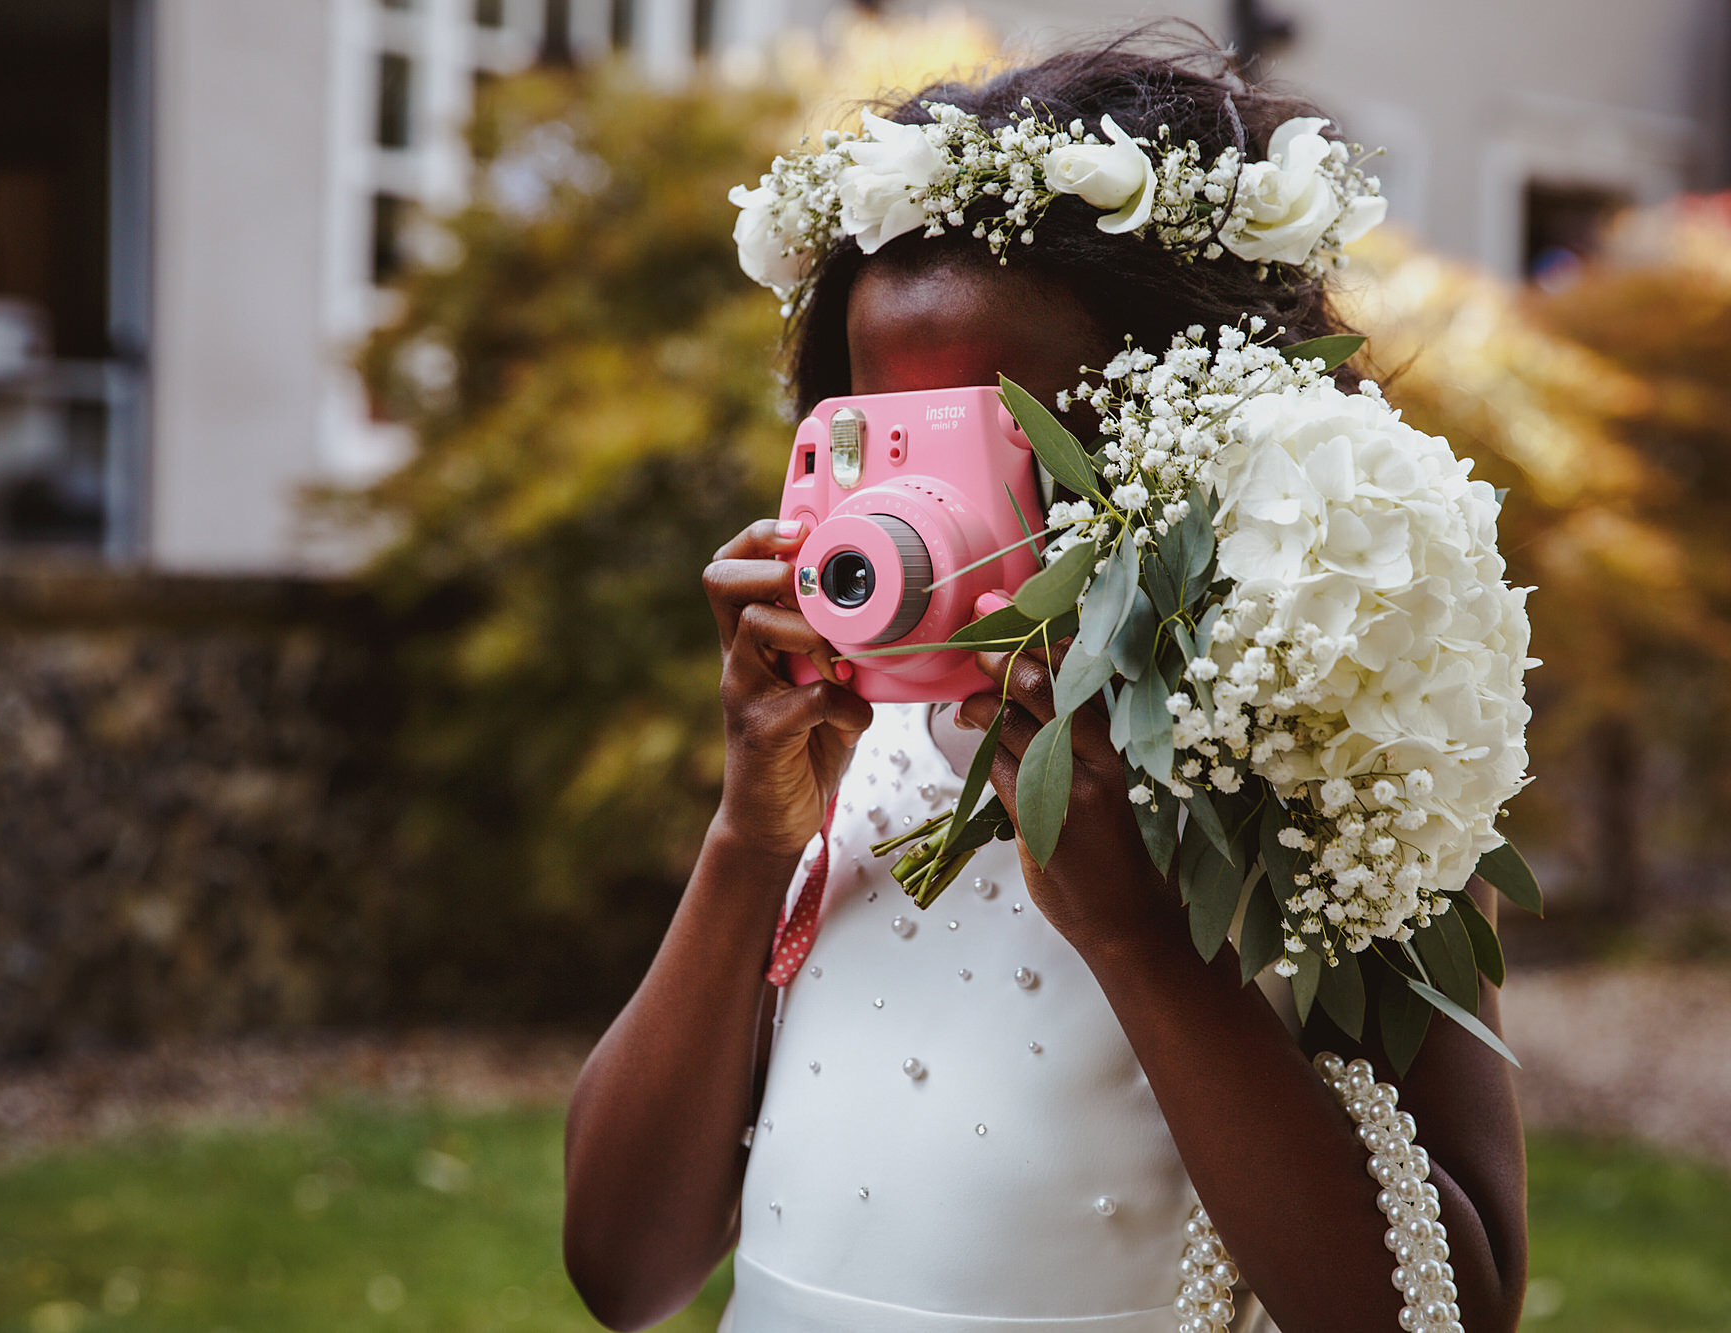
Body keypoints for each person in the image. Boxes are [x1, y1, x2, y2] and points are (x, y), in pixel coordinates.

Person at [563, 33, 1528, 1333]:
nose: (920, 505)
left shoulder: (1324, 757)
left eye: (994, 441)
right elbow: (622, 1271)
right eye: (881, 437)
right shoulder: (843, 747)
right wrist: (751, 838)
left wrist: (1141, 933)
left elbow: (1446, 1312)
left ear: (1185, 436)